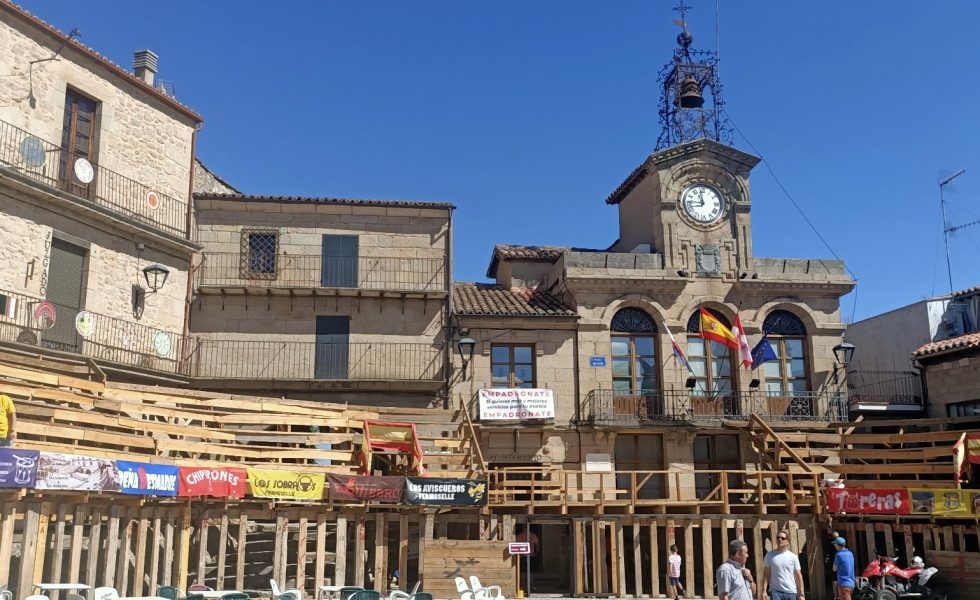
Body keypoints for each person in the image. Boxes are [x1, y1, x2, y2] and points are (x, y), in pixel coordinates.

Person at [761, 529, 805, 600]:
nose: (780, 539)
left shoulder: (793, 557)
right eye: (778, 538)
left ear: (787, 541)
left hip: (791, 592)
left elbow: (798, 575)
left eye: (782, 538)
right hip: (775, 591)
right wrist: (764, 591)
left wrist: (801, 594)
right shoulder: (770, 555)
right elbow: (766, 574)